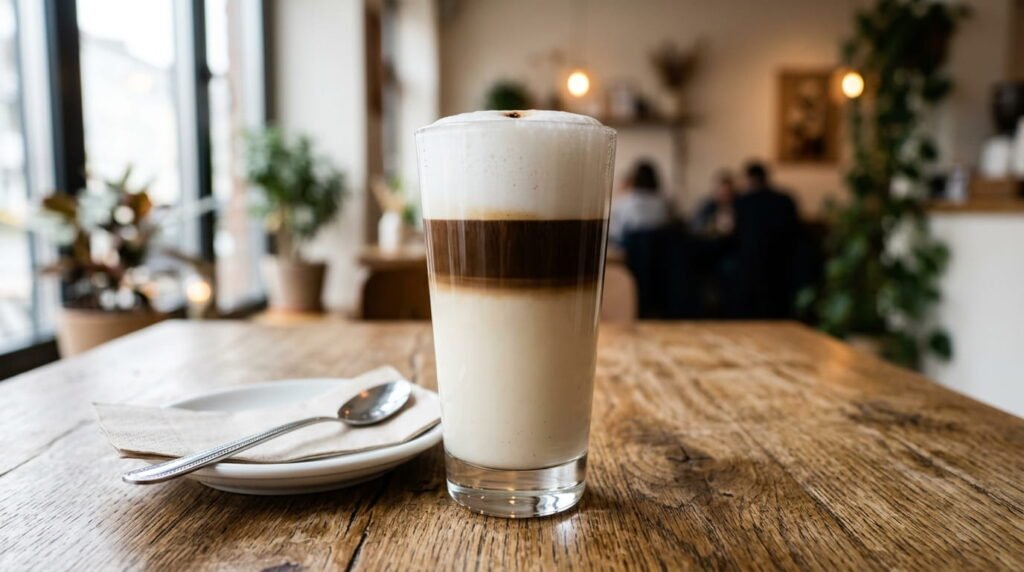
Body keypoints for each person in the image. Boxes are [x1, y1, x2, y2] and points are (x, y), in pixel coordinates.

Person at [728, 160, 800, 318]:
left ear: (750, 179)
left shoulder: (742, 202)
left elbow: (734, 235)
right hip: (783, 267)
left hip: (750, 267)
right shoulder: (785, 199)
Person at [608, 160, 674, 245]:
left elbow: (615, 233)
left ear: (633, 179)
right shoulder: (664, 202)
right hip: (660, 252)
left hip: (630, 251)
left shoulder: (623, 202)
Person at [692, 171, 737, 238]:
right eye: (722, 193)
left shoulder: (738, 206)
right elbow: (696, 227)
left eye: (728, 193)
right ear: (716, 191)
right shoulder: (706, 207)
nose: (725, 196)